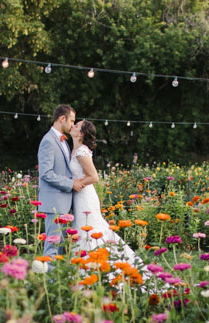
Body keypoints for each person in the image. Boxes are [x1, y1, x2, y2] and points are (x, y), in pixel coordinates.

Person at [68, 120, 143, 267]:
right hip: (79, 197)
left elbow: (94, 177)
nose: (73, 126)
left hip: (85, 197)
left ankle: (97, 265)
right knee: (82, 230)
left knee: (88, 232)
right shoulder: (74, 149)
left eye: (76, 125)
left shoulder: (81, 151)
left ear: (81, 133)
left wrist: (76, 183)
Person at [38, 105, 85, 257]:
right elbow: (46, 173)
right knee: (53, 246)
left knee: (59, 247)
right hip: (54, 204)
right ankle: (48, 281)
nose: (73, 125)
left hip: (63, 203)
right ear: (62, 118)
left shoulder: (64, 141)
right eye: (71, 121)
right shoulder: (48, 141)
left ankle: (54, 279)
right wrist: (71, 184)